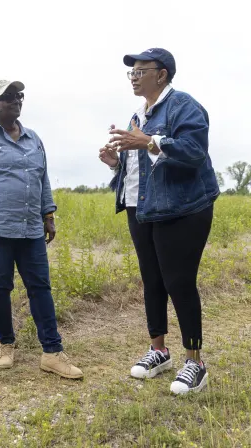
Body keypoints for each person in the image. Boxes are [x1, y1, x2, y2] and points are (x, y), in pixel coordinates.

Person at [99, 48, 219, 394]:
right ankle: (159, 351)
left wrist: (148, 140)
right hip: (142, 208)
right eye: (131, 73)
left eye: (140, 71)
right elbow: (142, 167)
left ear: (161, 74)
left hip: (183, 209)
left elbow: (194, 151)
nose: (134, 77)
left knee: (179, 282)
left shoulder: (184, 106)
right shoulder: (139, 113)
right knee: (151, 281)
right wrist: (115, 163)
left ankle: (195, 362)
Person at [0, 80, 83, 379]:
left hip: (30, 229)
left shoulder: (33, 138)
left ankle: (52, 353)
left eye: (19, 96)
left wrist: (49, 215)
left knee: (41, 287)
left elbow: (42, 179)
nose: (16, 100)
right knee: (0, 287)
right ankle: (5, 343)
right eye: (9, 97)